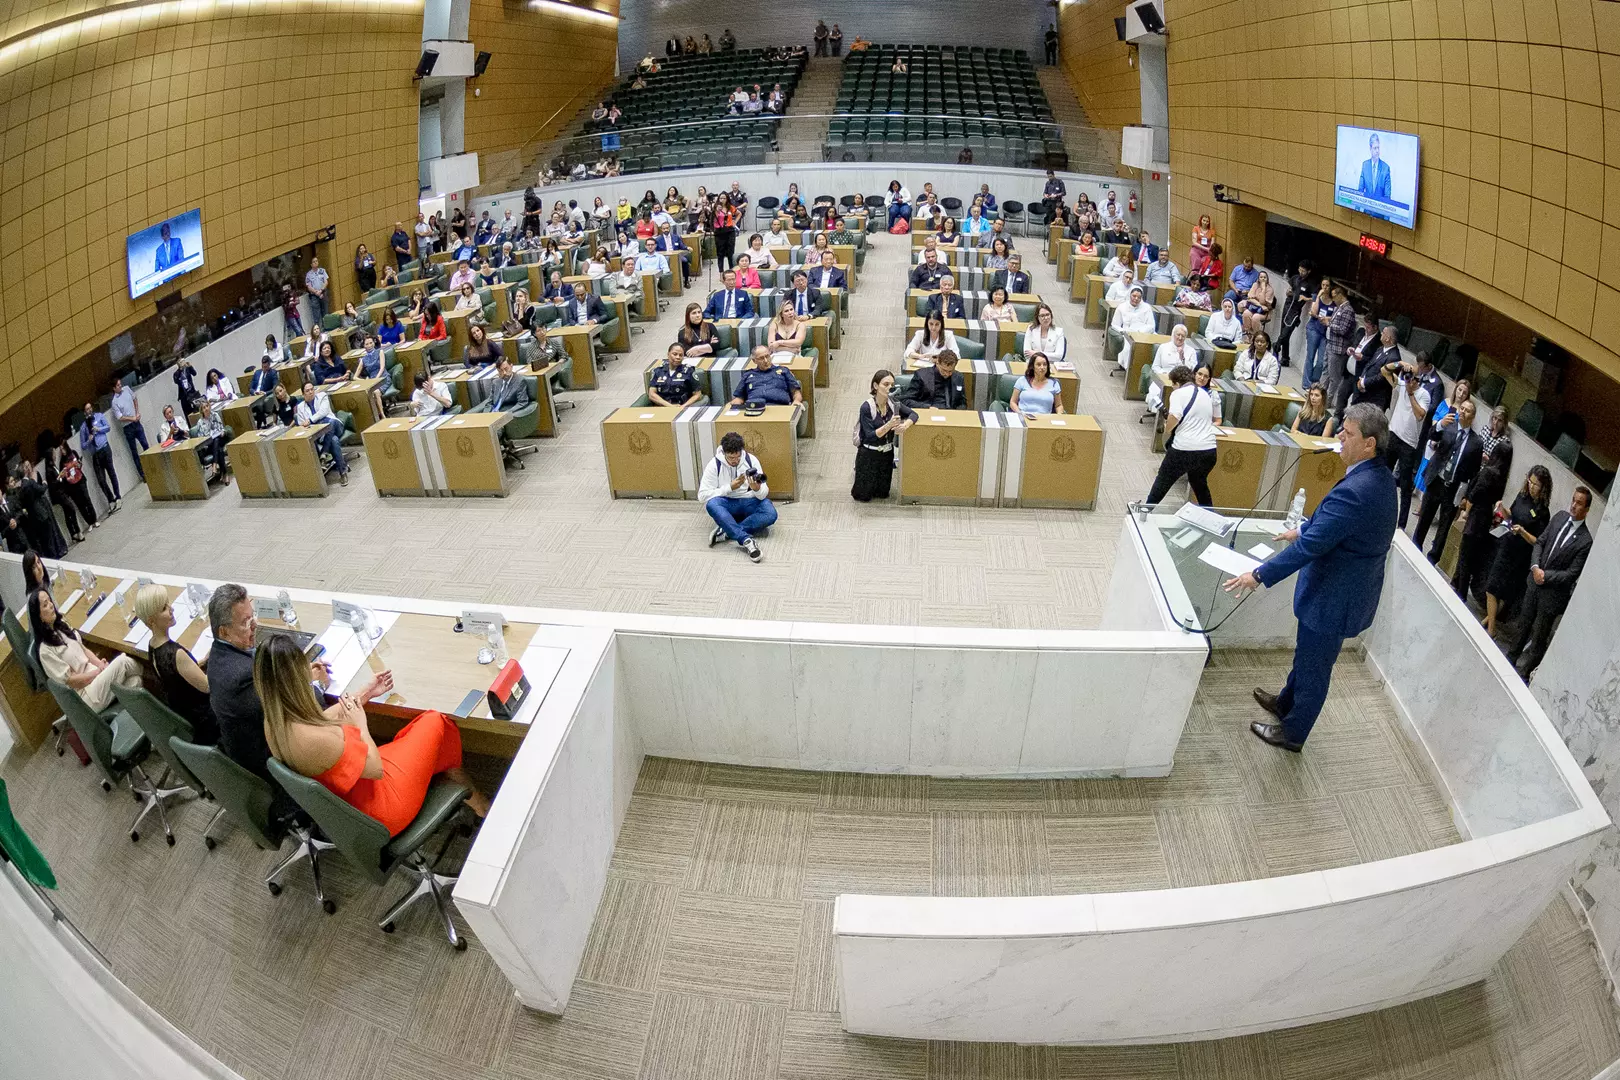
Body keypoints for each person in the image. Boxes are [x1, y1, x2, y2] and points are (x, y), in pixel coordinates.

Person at [1222, 403, 1397, 751]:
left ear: (1370, 444)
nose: (1339, 439)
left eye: (1347, 435)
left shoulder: (1358, 490)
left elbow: (1313, 547)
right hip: (1339, 588)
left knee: (1315, 668)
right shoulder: (1375, 476)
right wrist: (1304, 528)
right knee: (1307, 655)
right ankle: (1286, 703)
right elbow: (1341, 526)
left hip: (1336, 596)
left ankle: (1293, 733)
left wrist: (1258, 574)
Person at [1513, 486, 1597, 676]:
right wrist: (1535, 567)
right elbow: (1540, 542)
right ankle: (1509, 659)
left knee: (1538, 638)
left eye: (1579, 503)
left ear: (1587, 509)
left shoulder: (1585, 541)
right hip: (1534, 583)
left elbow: (1572, 573)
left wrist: (1545, 575)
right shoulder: (1559, 517)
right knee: (1523, 625)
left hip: (1551, 595)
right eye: (1573, 500)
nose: (1574, 506)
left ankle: (1524, 673)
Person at [30, 588, 142, 712]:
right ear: (38, 616)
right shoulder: (45, 651)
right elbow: (72, 681)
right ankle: (155, 675)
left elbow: (83, 649)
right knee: (122, 661)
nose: (51, 605)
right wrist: (98, 672)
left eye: (49, 601)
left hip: (96, 678)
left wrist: (100, 664)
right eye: (45, 605)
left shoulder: (61, 625)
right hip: (85, 695)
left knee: (135, 682)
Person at [132, 585, 216, 744]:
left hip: (185, 712)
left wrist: (202, 661)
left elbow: (176, 675)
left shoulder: (153, 646)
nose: (171, 609)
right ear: (152, 620)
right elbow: (208, 686)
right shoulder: (175, 654)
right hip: (206, 718)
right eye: (164, 608)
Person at [1484, 465, 1552, 637]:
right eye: (1530, 481)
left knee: (1503, 592)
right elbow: (1511, 516)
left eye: (1536, 484)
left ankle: (1490, 628)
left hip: (1521, 555)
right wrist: (1502, 509)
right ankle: (1489, 624)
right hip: (1507, 545)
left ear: (1543, 488)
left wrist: (1522, 531)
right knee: (1491, 588)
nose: (1531, 486)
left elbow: (1538, 540)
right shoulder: (1522, 497)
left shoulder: (1543, 513)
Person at [1410, 398, 1481, 559]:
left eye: (1467, 410)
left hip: (1453, 488)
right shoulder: (1448, 425)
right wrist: (1440, 424)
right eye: (1461, 408)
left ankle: (1433, 557)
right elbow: (1432, 435)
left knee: (1444, 524)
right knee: (1425, 517)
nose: (1462, 411)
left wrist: (1467, 496)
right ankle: (1415, 546)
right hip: (1437, 480)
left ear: (1473, 416)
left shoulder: (1476, 442)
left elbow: (1474, 472)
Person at [1382, 348, 1441, 528]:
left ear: (1418, 382)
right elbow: (1384, 370)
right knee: (1383, 473)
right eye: (1408, 377)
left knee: (1406, 486)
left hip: (1409, 443)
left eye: (1413, 379)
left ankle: (1401, 523)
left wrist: (1410, 393)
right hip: (1394, 434)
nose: (1409, 381)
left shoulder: (1424, 394)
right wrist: (1399, 364)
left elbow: (1420, 415)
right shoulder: (1401, 385)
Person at [1145, 365, 1218, 507]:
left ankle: (1144, 510)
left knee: (1163, 480)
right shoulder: (1205, 394)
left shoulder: (1178, 394)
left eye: (1173, 385)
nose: (1172, 388)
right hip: (1209, 450)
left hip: (1184, 449)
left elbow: (1175, 417)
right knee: (1199, 485)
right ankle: (1210, 516)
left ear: (1177, 383)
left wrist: (1167, 427)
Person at [700, 431, 775, 563]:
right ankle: (746, 541)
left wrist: (757, 489)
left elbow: (764, 494)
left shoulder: (751, 460)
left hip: (749, 500)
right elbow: (702, 495)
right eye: (731, 458)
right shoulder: (714, 465)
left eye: (738, 457)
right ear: (723, 453)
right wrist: (729, 487)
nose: (735, 461)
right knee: (712, 505)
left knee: (770, 514)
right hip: (728, 503)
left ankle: (727, 531)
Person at [1452, 441, 1512, 605]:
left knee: (1464, 558)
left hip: (1475, 517)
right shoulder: (1502, 477)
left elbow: (1475, 493)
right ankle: (1457, 585)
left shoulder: (1488, 472)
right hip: (1484, 520)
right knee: (1469, 559)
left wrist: (1466, 512)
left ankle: (1460, 593)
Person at [851, 369, 916, 502]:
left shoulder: (893, 403)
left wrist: (905, 425)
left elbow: (913, 414)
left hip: (886, 454)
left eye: (892, 385)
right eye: (886, 384)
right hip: (869, 454)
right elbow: (870, 435)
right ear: (875, 386)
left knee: (883, 494)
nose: (889, 388)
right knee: (862, 496)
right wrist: (889, 425)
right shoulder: (866, 407)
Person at [294, 382, 350, 485]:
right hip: (321, 434)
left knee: (330, 422)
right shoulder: (300, 407)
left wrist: (311, 420)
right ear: (303, 394)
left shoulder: (322, 396)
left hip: (336, 426)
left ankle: (324, 453)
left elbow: (323, 412)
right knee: (334, 440)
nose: (311, 392)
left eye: (312, 389)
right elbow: (303, 425)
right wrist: (311, 423)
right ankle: (343, 472)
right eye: (307, 391)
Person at [79, 401, 121, 510]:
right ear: (84, 412)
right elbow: (83, 445)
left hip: (105, 448)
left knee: (111, 472)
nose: (89, 411)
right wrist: (88, 441)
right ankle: (110, 499)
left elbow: (108, 427)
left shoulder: (99, 416)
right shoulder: (83, 427)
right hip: (95, 454)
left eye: (90, 408)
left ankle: (118, 497)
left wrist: (99, 429)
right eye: (87, 409)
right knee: (101, 480)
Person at [729, 346, 803, 407]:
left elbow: (796, 392)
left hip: (780, 407)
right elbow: (739, 397)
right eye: (761, 358)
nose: (765, 360)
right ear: (754, 361)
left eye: (767, 356)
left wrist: (796, 401)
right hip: (755, 409)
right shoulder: (748, 375)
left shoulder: (783, 371)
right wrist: (732, 406)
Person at [1146, 324, 1198, 411]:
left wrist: (1183, 358)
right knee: (1156, 391)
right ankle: (1160, 413)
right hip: (1164, 376)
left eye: (1183, 336)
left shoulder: (1191, 351)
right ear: (1173, 334)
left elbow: (1191, 371)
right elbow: (1155, 366)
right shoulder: (1163, 347)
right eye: (1178, 335)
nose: (1180, 338)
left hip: (1182, 381)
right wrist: (1164, 374)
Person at [109, 376, 148, 483]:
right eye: (117, 385)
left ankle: (152, 466)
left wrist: (137, 412)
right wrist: (132, 418)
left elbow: (135, 399)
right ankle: (143, 474)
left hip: (136, 422)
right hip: (128, 427)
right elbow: (120, 417)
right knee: (134, 451)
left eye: (120, 384)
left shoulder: (126, 389)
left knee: (145, 444)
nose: (120, 386)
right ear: (114, 388)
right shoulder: (114, 402)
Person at [902, 350, 967, 410]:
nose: (947, 374)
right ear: (937, 363)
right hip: (929, 411)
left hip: (951, 413)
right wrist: (927, 407)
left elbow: (962, 402)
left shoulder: (958, 377)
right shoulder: (921, 375)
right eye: (944, 370)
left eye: (950, 371)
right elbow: (906, 400)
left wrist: (958, 412)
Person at [1110, 285, 1157, 366]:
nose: (1136, 299)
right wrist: (1123, 331)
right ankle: (1130, 371)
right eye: (1134, 296)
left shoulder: (1147, 307)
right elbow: (1114, 324)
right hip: (1128, 334)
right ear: (1129, 295)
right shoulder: (1122, 307)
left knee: (1156, 346)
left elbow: (1151, 325)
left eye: (1139, 297)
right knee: (1128, 349)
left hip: (1145, 333)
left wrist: (1140, 332)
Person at [1357, 132, 1392, 199]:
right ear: (1370, 149)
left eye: (1378, 148)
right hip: (1366, 207)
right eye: (1375, 148)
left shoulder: (1386, 168)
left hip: (1380, 207)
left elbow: (1387, 196)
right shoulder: (1365, 165)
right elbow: (1360, 190)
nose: (1377, 151)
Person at [304, 257, 329, 325]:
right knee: (316, 314)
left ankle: (327, 327)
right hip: (314, 296)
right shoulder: (309, 274)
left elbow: (326, 282)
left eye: (316, 261)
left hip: (323, 293)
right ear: (311, 264)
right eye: (314, 262)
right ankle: (318, 330)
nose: (316, 262)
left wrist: (321, 290)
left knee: (325, 312)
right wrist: (316, 292)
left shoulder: (322, 270)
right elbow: (309, 286)